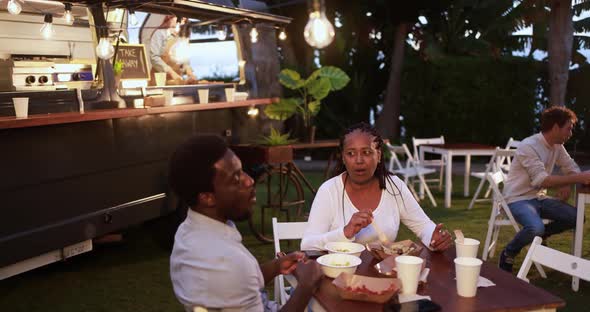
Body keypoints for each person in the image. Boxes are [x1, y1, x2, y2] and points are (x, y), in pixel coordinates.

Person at [169, 135, 322, 312]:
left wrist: (276, 266)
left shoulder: (189, 231)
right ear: (207, 197)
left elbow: (237, 286)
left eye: (242, 171)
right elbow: (234, 275)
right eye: (235, 178)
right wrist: (306, 286)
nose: (249, 180)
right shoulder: (228, 262)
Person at [301, 123, 453, 252]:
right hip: (339, 277)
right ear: (343, 157)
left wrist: (434, 238)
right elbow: (307, 245)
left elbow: (423, 226)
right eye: (351, 153)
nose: (359, 160)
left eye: (367, 152)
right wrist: (345, 232)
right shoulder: (329, 191)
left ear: (379, 155)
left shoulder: (394, 186)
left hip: (383, 275)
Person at [499, 106, 590, 273]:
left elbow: (572, 168)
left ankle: (540, 237)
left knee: (576, 217)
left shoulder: (557, 146)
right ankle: (508, 253)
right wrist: (578, 178)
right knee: (535, 228)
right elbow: (542, 180)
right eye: (568, 129)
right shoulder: (529, 146)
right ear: (556, 127)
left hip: (539, 198)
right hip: (517, 199)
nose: (570, 134)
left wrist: (566, 183)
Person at [149, 15, 196, 84]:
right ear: (169, 17)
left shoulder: (183, 36)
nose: (181, 22)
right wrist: (171, 72)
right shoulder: (160, 33)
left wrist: (190, 73)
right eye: (179, 18)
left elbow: (185, 59)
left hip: (176, 80)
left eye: (184, 20)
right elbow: (154, 58)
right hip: (158, 80)